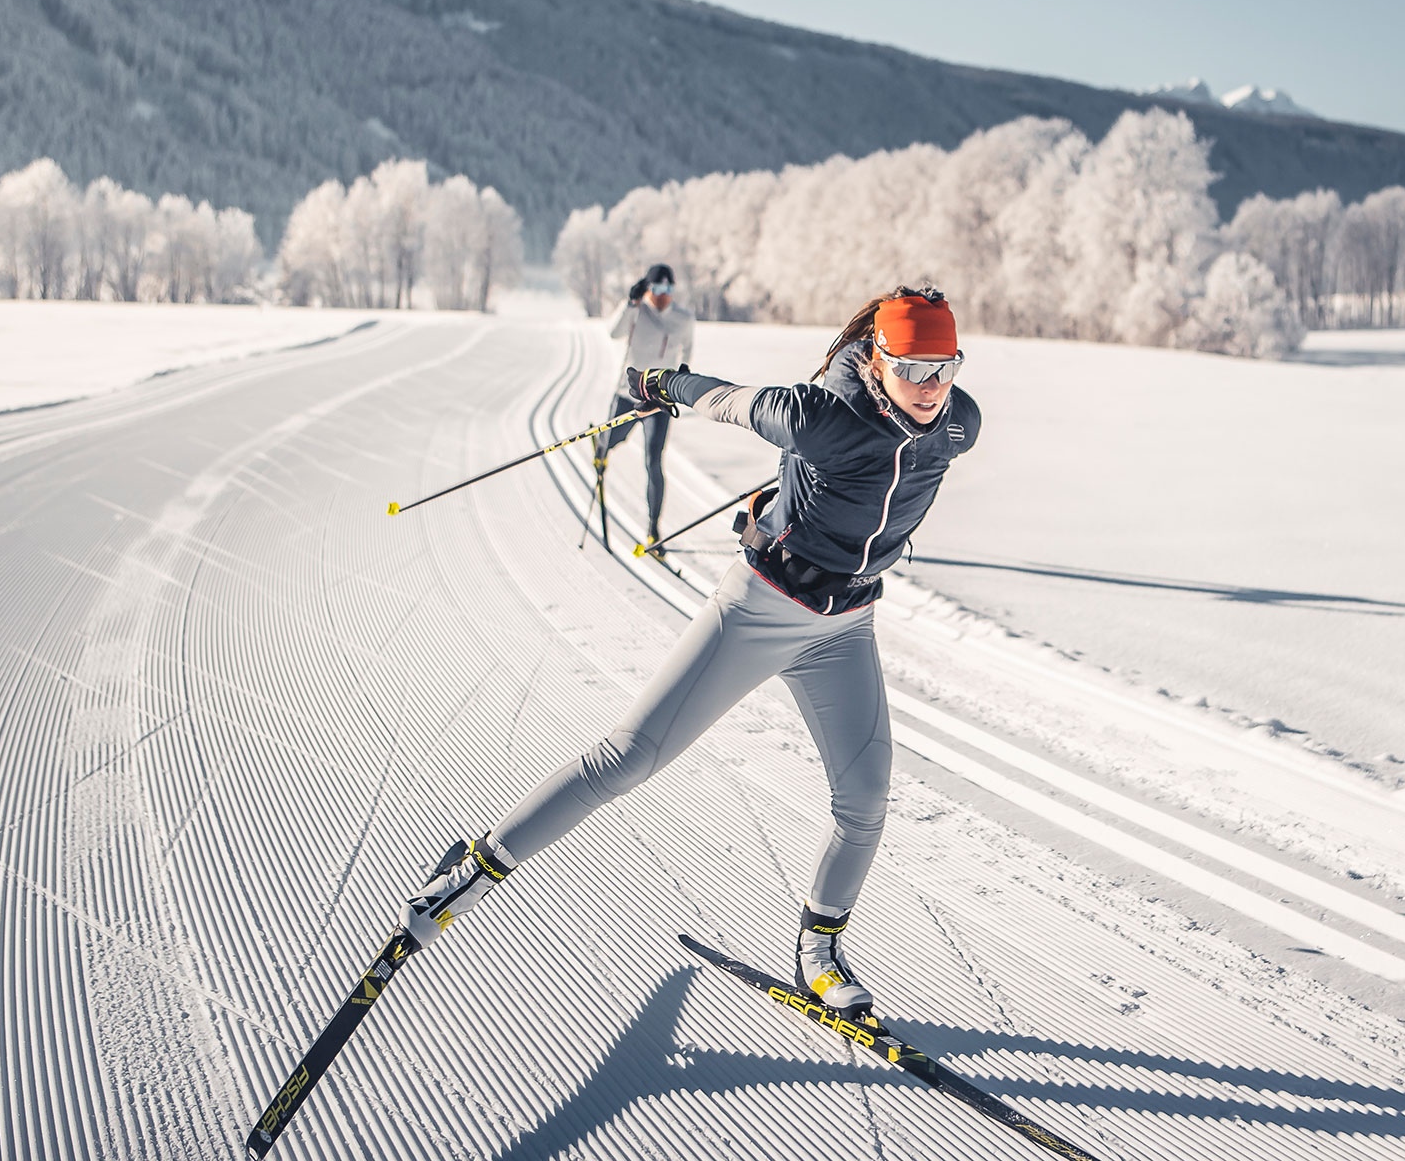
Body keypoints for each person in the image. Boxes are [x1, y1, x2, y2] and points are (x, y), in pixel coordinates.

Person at [399, 287, 977, 1018]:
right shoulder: (820, 417)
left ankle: (819, 951)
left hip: (845, 627)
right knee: (629, 757)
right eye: (914, 368)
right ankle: (474, 869)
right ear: (876, 361)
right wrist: (658, 384)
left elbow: (893, 475)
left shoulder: (959, 424)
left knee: (864, 801)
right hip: (761, 608)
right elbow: (729, 400)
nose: (931, 386)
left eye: (945, 367)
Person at [598, 263, 694, 546]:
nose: (663, 295)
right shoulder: (637, 311)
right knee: (613, 439)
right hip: (628, 394)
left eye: (668, 288)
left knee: (653, 460)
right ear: (648, 289)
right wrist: (629, 303)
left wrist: (684, 374)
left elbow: (688, 350)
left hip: (659, 401)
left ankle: (653, 529)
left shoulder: (683, 318)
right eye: (658, 288)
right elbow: (613, 333)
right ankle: (601, 450)